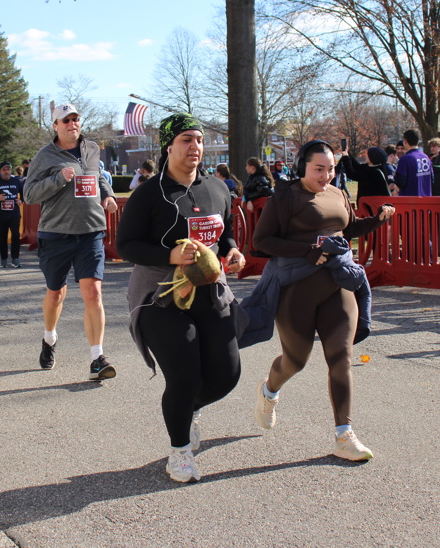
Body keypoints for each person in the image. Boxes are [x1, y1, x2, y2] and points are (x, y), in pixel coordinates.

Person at [116, 113, 247, 483]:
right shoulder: (149, 194)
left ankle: (188, 410)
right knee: (184, 376)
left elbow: (226, 232)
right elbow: (126, 245)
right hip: (161, 296)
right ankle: (179, 453)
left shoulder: (217, 188)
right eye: (187, 140)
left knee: (226, 375)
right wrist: (170, 255)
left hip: (210, 291)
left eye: (199, 140)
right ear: (168, 146)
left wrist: (232, 251)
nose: (195, 147)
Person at [248, 141, 394, 461]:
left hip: (337, 285)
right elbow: (261, 241)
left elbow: (348, 228)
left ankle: (344, 435)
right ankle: (269, 391)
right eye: (319, 169)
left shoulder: (338, 193)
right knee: (295, 361)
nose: (326, 175)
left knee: (341, 358)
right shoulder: (285, 197)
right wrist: (307, 251)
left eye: (330, 169)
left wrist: (377, 219)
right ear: (302, 166)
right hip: (295, 290)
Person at [23, 102, 118, 380]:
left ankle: (97, 358)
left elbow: (98, 178)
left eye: (75, 119)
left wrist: (108, 195)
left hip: (91, 231)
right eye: (65, 120)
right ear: (55, 126)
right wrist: (58, 178)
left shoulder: (92, 149)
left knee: (94, 293)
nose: (72, 124)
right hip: (56, 234)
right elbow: (29, 195)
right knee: (55, 294)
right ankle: (49, 338)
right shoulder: (45, 156)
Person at [0, 162, 24, 268]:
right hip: (1, 215)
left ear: (11, 171)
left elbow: (24, 193)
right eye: (4, 170)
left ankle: (15, 258)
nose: (6, 172)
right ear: (0, 171)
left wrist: (21, 200)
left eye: (8, 169)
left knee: (16, 236)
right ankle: (3, 259)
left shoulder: (16, 181)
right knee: (2, 237)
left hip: (14, 213)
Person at [393, 129, 433, 196]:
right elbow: (432, 179)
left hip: (410, 199)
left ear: (405, 141)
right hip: (426, 198)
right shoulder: (426, 157)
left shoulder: (405, 159)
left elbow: (400, 182)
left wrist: (396, 176)